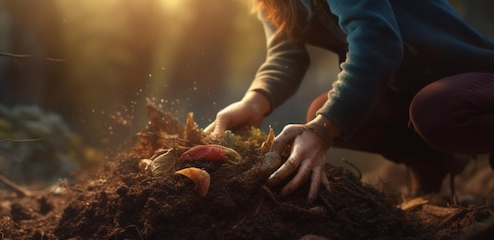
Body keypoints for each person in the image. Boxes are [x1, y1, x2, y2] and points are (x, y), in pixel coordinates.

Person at [206, 0, 494, 200]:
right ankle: (433, 159)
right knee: (323, 110)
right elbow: (286, 53)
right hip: (408, 88)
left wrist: (322, 129)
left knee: (433, 110)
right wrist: (255, 101)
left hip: (472, 77)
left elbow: (377, 39)